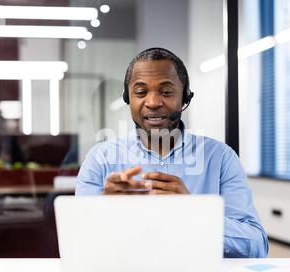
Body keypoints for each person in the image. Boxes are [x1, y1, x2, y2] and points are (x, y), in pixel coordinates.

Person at [75, 47, 269, 258]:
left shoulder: (221, 158)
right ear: (127, 98)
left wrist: (194, 212)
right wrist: (104, 211)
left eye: (166, 92)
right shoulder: (100, 159)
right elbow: (78, 244)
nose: (153, 102)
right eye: (140, 92)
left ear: (185, 98)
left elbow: (256, 245)